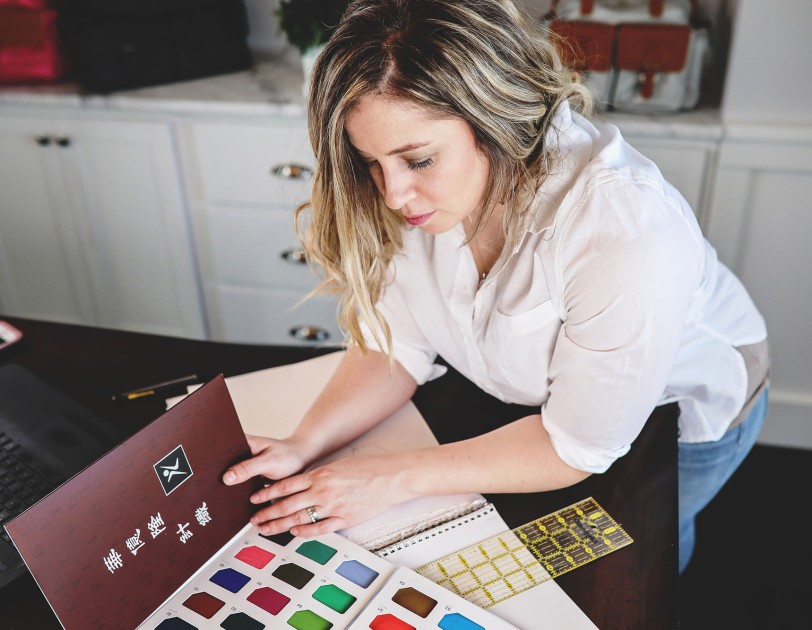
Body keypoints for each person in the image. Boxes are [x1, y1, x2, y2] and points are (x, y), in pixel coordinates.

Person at [222, 0, 769, 575]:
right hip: (545, 412)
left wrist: (390, 478)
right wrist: (304, 443)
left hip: (684, 407)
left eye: (419, 160)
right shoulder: (422, 197)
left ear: (494, 120)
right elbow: (396, 344)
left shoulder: (623, 230)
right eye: (372, 163)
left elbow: (576, 447)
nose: (392, 194)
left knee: (643, 557)